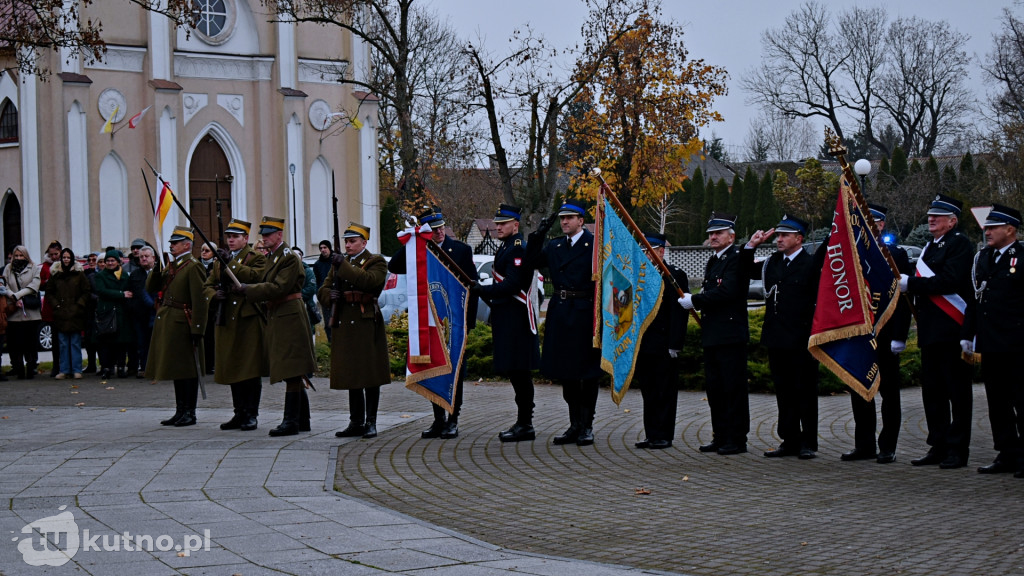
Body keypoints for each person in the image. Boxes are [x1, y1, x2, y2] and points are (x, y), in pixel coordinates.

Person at [898, 193, 976, 469]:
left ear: (952, 221)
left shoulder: (960, 244)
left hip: (952, 330)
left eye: (938, 216)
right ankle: (938, 444)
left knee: (957, 392)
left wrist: (913, 285)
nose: (931, 219)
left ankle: (957, 449)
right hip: (931, 331)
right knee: (933, 392)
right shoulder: (931, 246)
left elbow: (950, 281)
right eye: (931, 214)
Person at [388, 207, 478, 439]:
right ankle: (438, 419)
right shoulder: (419, 251)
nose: (438, 232)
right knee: (431, 371)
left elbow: (471, 289)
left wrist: (467, 324)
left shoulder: (460, 250)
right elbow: (394, 266)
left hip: (453, 324)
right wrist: (413, 238)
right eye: (432, 229)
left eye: (440, 228)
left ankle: (453, 419)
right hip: (429, 323)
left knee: (454, 373)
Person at [527, 198, 603, 446]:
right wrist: (538, 233)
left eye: (570, 218)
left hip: (584, 312)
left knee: (587, 373)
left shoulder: (595, 245)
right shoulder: (556, 245)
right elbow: (531, 260)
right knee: (566, 373)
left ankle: (587, 425)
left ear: (581, 220)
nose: (565, 222)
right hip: (560, 311)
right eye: (562, 218)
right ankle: (574, 425)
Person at [744, 216, 821, 459]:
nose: (779, 239)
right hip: (777, 337)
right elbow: (745, 269)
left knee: (805, 392)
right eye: (778, 235)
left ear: (799, 239)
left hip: (801, 338)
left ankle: (808, 441)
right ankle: (789, 439)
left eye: (785, 235)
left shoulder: (810, 264)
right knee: (784, 391)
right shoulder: (773, 262)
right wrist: (751, 246)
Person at [841, 204, 912, 464]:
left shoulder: (894, 254)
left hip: (885, 332)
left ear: (880, 225)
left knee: (889, 393)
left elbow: (903, 298)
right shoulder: (851, 254)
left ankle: (888, 445)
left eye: (869, 222)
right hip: (859, 332)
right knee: (860, 389)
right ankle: (864, 444)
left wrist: (900, 336)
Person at [233, 217, 316, 437]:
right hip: (280, 313)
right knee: (292, 368)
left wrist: (249, 290)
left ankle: (291, 421)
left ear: (279, 235)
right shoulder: (274, 257)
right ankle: (302, 419)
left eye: (269, 234)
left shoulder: (288, 259)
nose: (264, 238)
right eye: (263, 234)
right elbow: (263, 278)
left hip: (289, 313)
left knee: (292, 368)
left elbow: (279, 287)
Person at [678, 212, 750, 455]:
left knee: (733, 389)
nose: (713, 237)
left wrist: (695, 300)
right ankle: (720, 435)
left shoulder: (736, 259)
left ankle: (737, 439)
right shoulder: (713, 261)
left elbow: (728, 292)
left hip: (730, 335)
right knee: (716, 390)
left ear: (732, 236)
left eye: (718, 233)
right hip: (713, 334)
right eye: (711, 234)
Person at [962, 204, 1024, 477]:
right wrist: (968, 335)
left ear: (1010, 230)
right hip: (990, 343)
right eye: (986, 227)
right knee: (997, 403)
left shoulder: (1020, 258)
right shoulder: (983, 258)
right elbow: (975, 300)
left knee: (1020, 401)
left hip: (1017, 344)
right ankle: (1007, 453)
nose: (987, 232)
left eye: (993, 227)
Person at [474, 204, 541, 442]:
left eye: (503, 223)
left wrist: (483, 290)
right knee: (515, 372)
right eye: (497, 223)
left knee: (520, 372)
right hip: (507, 317)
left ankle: (526, 423)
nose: (498, 227)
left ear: (516, 225)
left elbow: (513, 285)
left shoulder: (518, 248)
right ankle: (523, 421)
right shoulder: (505, 247)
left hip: (517, 320)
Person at [319, 222, 391, 439]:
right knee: (352, 374)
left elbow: (369, 282)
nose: (348, 245)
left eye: (352, 241)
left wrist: (343, 265)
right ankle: (355, 421)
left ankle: (371, 422)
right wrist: (328, 296)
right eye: (346, 242)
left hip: (365, 321)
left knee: (369, 374)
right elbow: (324, 288)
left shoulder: (375, 261)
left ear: (364, 242)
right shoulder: (340, 263)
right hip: (345, 321)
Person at [204, 219, 267, 432]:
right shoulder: (219, 260)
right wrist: (215, 294)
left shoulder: (256, 258)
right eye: (229, 236)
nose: (231, 240)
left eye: (235, 237)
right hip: (227, 318)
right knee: (232, 367)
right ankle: (239, 412)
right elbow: (208, 285)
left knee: (249, 369)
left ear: (246, 239)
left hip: (248, 318)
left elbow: (256, 277)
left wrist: (230, 263)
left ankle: (251, 414)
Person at [147, 227, 209, 427]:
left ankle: (189, 412)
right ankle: (180, 410)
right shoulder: (172, 265)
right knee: (177, 369)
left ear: (187, 245)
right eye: (171, 242)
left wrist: (198, 328)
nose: (171, 245)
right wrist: (157, 266)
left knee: (187, 370)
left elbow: (200, 300)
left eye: (176, 242)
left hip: (184, 322)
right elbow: (151, 287)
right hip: (170, 322)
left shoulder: (193, 266)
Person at [633, 232, 688, 450]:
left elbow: (679, 313)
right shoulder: (637, 275)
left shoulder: (674, 275)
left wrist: (676, 343)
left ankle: (664, 435)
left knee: (665, 390)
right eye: (643, 249)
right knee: (649, 391)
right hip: (644, 342)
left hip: (665, 343)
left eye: (649, 249)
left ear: (661, 251)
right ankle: (651, 433)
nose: (645, 253)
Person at [47, 248, 90, 379]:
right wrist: (56, 305)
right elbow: (49, 292)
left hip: (76, 313)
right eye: (64, 257)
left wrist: (79, 305)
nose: (66, 260)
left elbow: (86, 291)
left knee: (75, 343)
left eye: (68, 257)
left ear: (72, 259)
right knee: (63, 344)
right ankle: (64, 370)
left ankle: (77, 369)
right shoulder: (56, 275)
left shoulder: (79, 274)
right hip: (61, 314)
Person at [93, 250, 136, 380]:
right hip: (107, 313)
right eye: (108, 261)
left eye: (113, 260)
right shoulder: (101, 276)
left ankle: (121, 367)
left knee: (121, 342)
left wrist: (123, 294)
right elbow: (102, 291)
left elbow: (130, 291)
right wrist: (121, 294)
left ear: (118, 262)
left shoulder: (124, 275)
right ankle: (106, 368)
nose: (110, 263)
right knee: (106, 342)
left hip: (122, 312)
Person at [3, 246, 42, 379]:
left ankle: (31, 369)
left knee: (30, 344)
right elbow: (4, 285)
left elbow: (34, 285)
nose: (19, 258)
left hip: (31, 313)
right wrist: (12, 296)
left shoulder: (34, 267)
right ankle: (18, 369)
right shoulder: (8, 268)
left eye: (21, 255)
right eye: (16, 256)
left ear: (26, 256)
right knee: (15, 345)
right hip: (14, 313)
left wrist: (18, 295)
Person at [128, 246, 158, 378]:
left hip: (157, 313)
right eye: (141, 257)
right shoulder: (135, 274)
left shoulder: (160, 272)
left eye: (146, 256)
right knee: (142, 343)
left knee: (156, 342)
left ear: (153, 258)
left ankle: (157, 368)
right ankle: (144, 367)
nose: (144, 259)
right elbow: (130, 293)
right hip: (140, 315)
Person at [39, 241, 62, 377]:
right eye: (51, 254)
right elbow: (40, 284)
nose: (54, 257)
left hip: (65, 306)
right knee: (55, 340)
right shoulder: (44, 267)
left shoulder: (65, 265)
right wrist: (47, 283)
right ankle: (56, 365)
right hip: (51, 307)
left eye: (56, 254)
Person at [293, 246, 320, 337]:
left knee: (308, 331)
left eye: (299, 254)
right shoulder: (286, 271)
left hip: (306, 306)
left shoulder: (307, 271)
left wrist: (296, 296)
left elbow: (311, 288)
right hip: (291, 308)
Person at [200, 241, 218, 374]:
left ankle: (212, 363)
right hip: (200, 306)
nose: (204, 253)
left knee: (212, 338)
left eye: (207, 250)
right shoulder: (197, 266)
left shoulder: (217, 266)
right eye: (202, 250)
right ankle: (203, 363)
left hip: (213, 307)